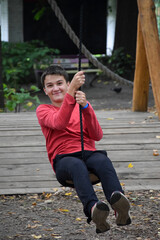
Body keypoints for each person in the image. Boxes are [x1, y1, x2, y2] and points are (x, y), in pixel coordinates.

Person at [36, 65, 131, 234]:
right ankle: (94, 209)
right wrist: (71, 92)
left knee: (102, 160)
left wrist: (86, 107)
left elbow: (97, 135)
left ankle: (119, 205)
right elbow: (59, 122)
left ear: (66, 84)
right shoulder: (43, 110)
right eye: (50, 85)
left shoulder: (81, 105)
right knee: (76, 165)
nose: (56, 88)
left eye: (60, 83)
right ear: (45, 91)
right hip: (64, 160)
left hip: (88, 153)